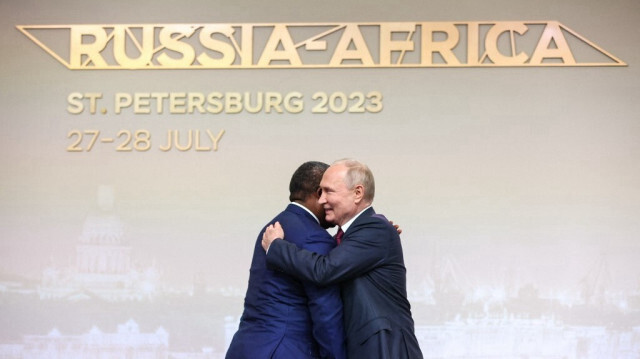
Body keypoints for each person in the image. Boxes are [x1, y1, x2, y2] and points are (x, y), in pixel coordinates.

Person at [262, 159, 423, 359]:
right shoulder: (361, 233)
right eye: (320, 192)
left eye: (329, 192)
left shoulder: (375, 229)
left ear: (357, 193)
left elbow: (324, 270)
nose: (321, 200)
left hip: (383, 349)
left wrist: (276, 247)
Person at [226, 161, 346, 359]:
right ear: (319, 193)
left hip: (247, 348)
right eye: (332, 193)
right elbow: (326, 313)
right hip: (286, 351)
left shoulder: (274, 227)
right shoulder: (314, 237)